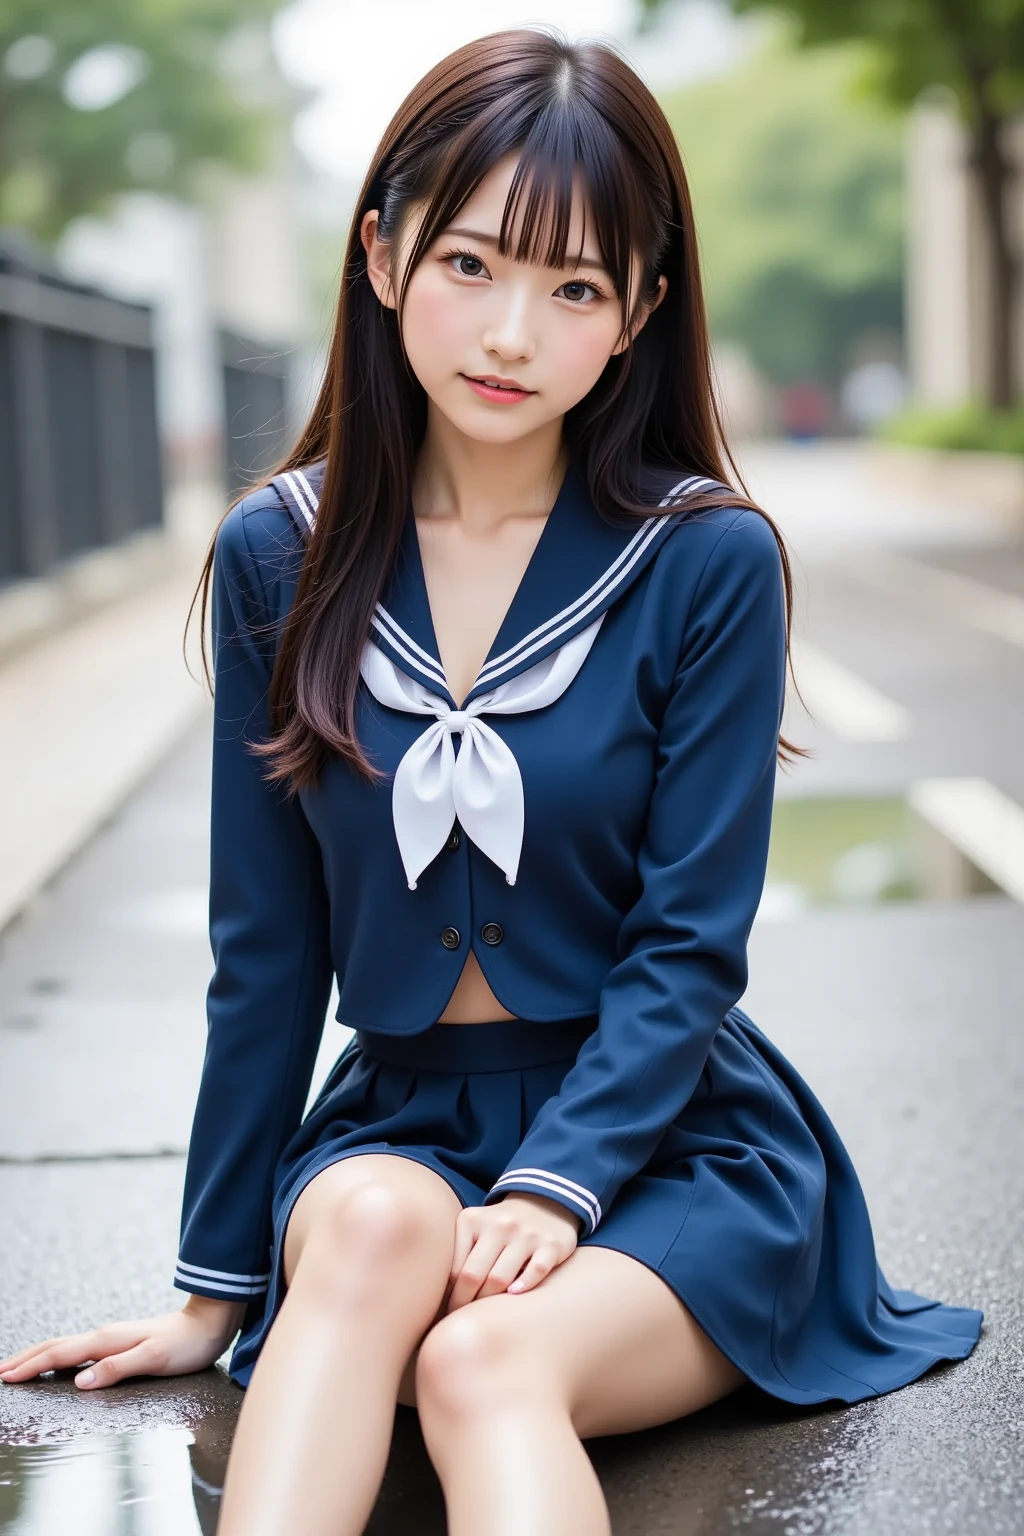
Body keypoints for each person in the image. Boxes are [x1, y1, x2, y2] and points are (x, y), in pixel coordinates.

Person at [0, 26, 983, 1536]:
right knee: (380, 1228)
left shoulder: (704, 562)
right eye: (472, 265)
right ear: (383, 256)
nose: (513, 332)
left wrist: (556, 1188)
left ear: (638, 314)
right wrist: (210, 1287)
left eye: (575, 287)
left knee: (482, 1368)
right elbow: (265, 957)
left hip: (668, 1147)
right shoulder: (284, 553)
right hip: (399, 1123)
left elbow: (687, 946)